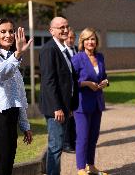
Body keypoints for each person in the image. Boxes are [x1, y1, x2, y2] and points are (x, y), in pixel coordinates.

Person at [0, 18, 33, 175]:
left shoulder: (13, 58)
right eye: (3, 31)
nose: (8, 35)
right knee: (1, 169)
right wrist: (18, 53)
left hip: (11, 119)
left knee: (7, 169)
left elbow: (19, 95)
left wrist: (25, 126)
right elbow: (1, 74)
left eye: (11, 31)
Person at [39, 16, 79, 175]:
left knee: (58, 146)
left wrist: (69, 106)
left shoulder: (63, 49)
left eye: (66, 27)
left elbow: (68, 79)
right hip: (55, 109)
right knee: (55, 147)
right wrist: (57, 107)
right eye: (60, 27)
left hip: (64, 107)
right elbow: (49, 81)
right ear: (51, 31)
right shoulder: (49, 49)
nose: (64, 30)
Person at [71, 28, 109, 175]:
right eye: (87, 39)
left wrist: (106, 82)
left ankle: (91, 166)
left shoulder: (100, 57)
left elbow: (104, 76)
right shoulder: (77, 58)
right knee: (83, 137)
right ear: (82, 41)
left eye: (93, 39)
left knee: (93, 136)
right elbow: (71, 81)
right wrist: (86, 83)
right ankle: (81, 169)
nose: (90, 42)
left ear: (96, 41)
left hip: (97, 103)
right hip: (82, 104)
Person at [63, 27, 78, 153]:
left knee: (75, 118)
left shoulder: (78, 51)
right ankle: (66, 144)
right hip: (67, 89)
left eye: (72, 37)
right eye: (68, 37)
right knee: (68, 117)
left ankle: (73, 141)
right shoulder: (61, 52)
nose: (70, 40)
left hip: (77, 89)